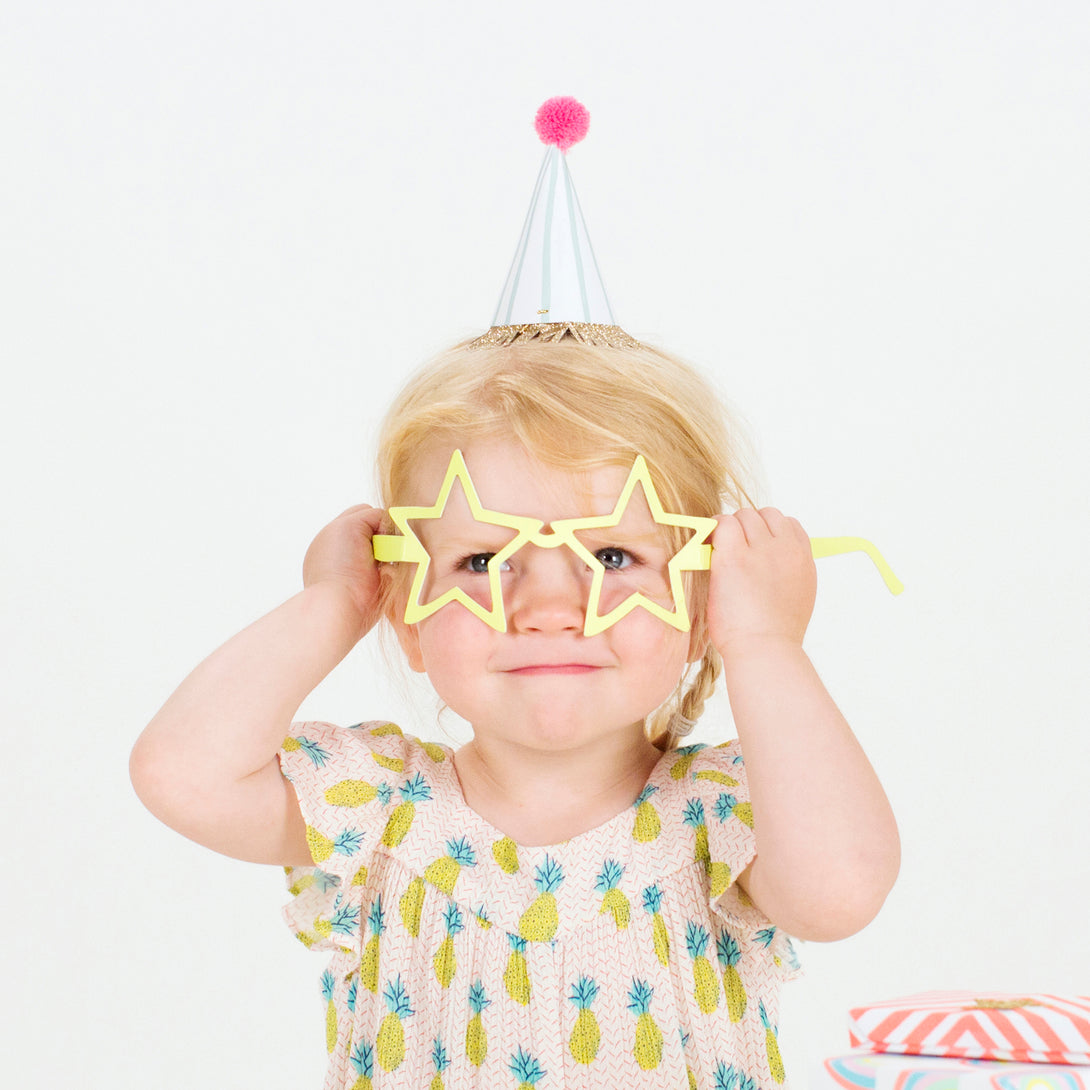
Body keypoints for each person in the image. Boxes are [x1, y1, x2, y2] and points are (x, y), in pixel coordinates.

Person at [130, 99, 900, 1089]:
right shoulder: (382, 808)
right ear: (407, 607)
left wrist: (765, 649)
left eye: (614, 557)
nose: (547, 603)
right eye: (483, 562)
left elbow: (839, 889)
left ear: (702, 598)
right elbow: (177, 774)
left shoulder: (717, 812)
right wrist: (331, 601)